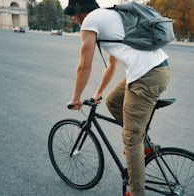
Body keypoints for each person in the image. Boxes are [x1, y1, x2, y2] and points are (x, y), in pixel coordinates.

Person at [65, 0, 170, 195]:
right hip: (157, 69)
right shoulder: (110, 16)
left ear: (81, 12)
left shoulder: (90, 21)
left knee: (131, 139)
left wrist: (76, 98)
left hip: (146, 76)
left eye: (73, 14)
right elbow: (111, 64)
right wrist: (97, 94)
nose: (73, 18)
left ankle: (136, 191)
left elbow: (84, 66)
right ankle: (144, 145)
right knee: (112, 101)